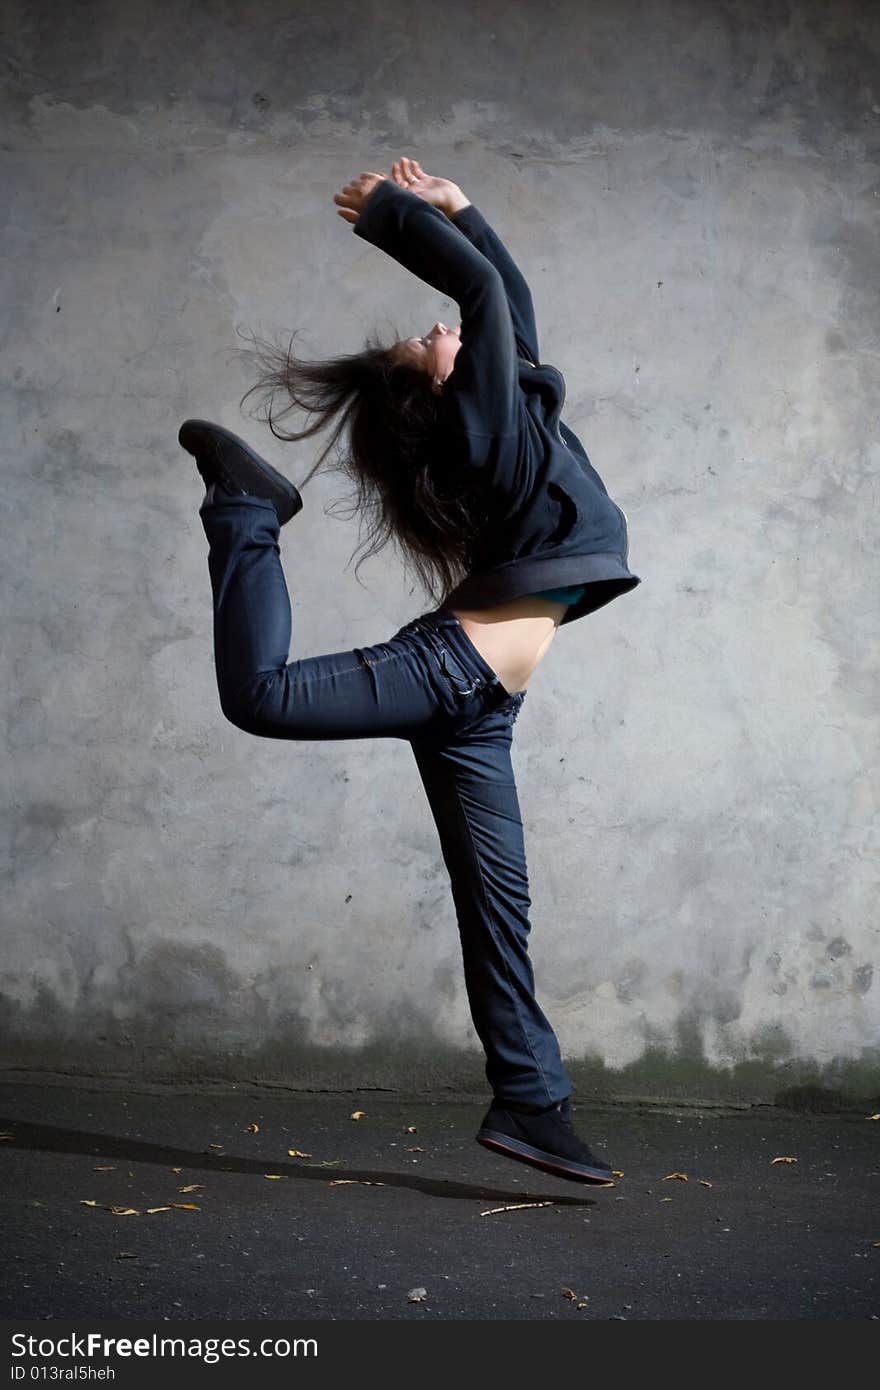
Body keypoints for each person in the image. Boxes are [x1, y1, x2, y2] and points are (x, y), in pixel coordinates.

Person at [178, 155, 641, 1186]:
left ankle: (529, 1102)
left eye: (443, 331)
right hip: (448, 673)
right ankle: (246, 511)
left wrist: (458, 205)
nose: (446, 332)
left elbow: (503, 300)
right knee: (259, 695)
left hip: (481, 711)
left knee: (496, 910)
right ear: (439, 390)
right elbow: (479, 295)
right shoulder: (482, 435)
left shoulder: (518, 414)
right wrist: (392, 217)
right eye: (427, 342)